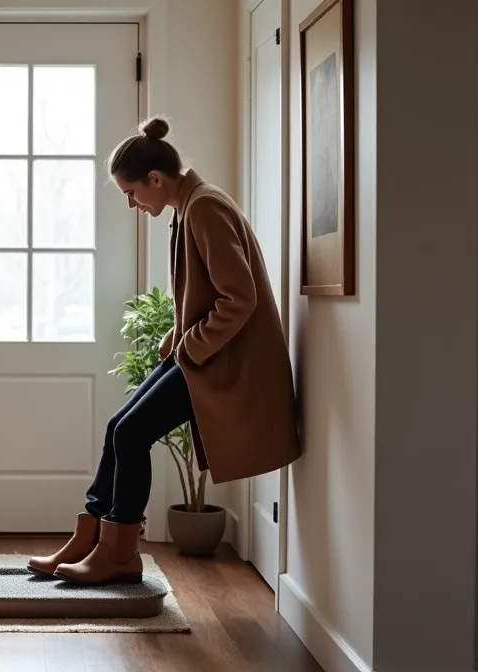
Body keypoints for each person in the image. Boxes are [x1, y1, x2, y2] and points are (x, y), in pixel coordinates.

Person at [29, 115, 302, 585]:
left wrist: (190, 345)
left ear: (155, 179)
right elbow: (212, 292)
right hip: (201, 352)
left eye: (131, 192)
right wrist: (178, 333)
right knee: (120, 426)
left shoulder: (205, 208)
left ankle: (118, 555)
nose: (132, 203)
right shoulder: (192, 206)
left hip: (219, 362)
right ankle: (93, 536)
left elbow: (240, 298)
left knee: (132, 433)